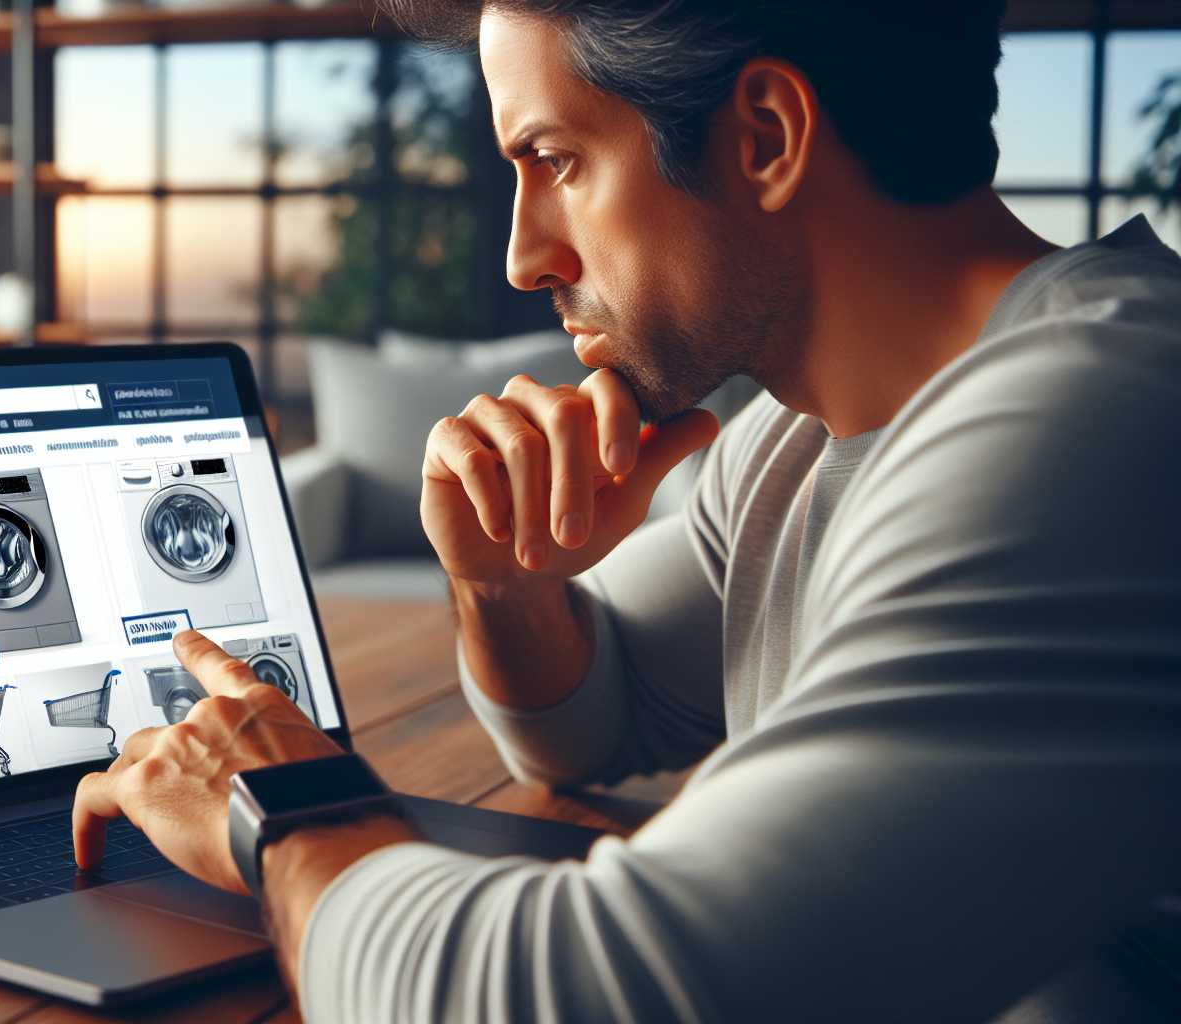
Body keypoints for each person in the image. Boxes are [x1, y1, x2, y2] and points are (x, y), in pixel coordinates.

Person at [70, 1, 1181, 1019]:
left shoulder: (1102, 417)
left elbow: (573, 999)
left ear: (763, 138)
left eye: (554, 159)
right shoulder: (796, 438)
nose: (521, 257)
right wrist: (502, 577)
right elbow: (590, 723)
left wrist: (279, 811)